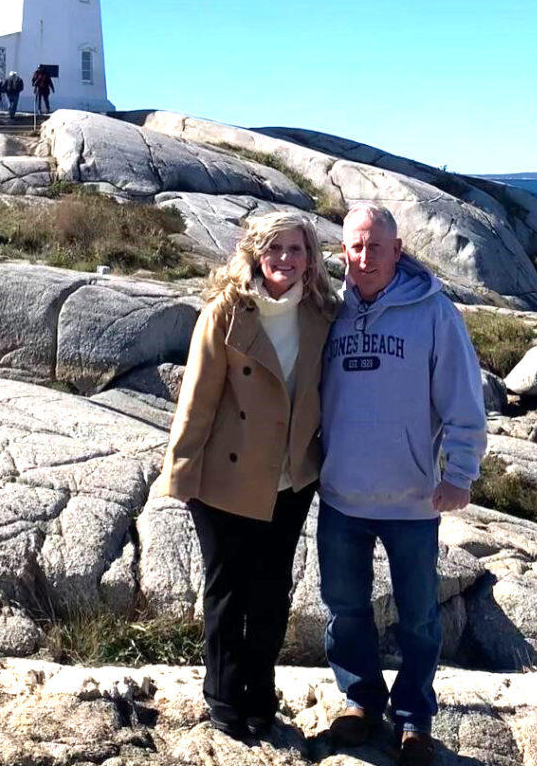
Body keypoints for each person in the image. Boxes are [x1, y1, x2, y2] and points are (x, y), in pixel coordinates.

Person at [317, 203, 486, 766]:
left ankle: (414, 719)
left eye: (376, 247)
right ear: (345, 251)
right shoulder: (325, 309)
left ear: (398, 250)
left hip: (413, 499)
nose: (365, 257)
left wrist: (459, 475)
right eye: (356, 247)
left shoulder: (433, 312)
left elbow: (463, 400)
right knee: (346, 609)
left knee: (418, 616)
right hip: (340, 493)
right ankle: (359, 702)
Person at [159, 211, 337, 739]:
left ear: (311, 257)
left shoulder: (322, 313)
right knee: (227, 591)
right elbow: (197, 400)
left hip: (291, 479)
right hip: (225, 478)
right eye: (275, 249)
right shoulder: (226, 313)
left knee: (271, 590)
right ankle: (222, 694)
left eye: (296, 250)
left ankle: (260, 692)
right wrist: (183, 474)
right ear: (256, 254)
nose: (285, 260)